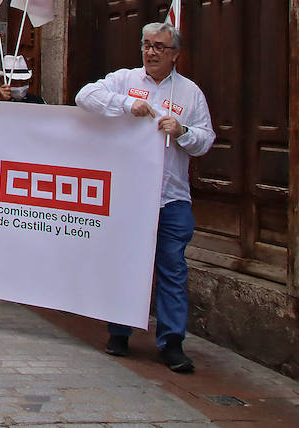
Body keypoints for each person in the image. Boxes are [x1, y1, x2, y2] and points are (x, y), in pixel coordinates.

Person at [77, 21, 213, 372]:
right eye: (146, 45)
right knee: (126, 266)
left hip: (172, 198)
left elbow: (205, 140)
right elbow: (85, 96)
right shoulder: (125, 80)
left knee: (172, 271)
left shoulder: (190, 93)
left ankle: (171, 342)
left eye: (159, 47)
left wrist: (182, 131)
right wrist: (125, 106)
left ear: (175, 55)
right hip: (129, 197)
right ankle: (119, 332)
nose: (151, 52)